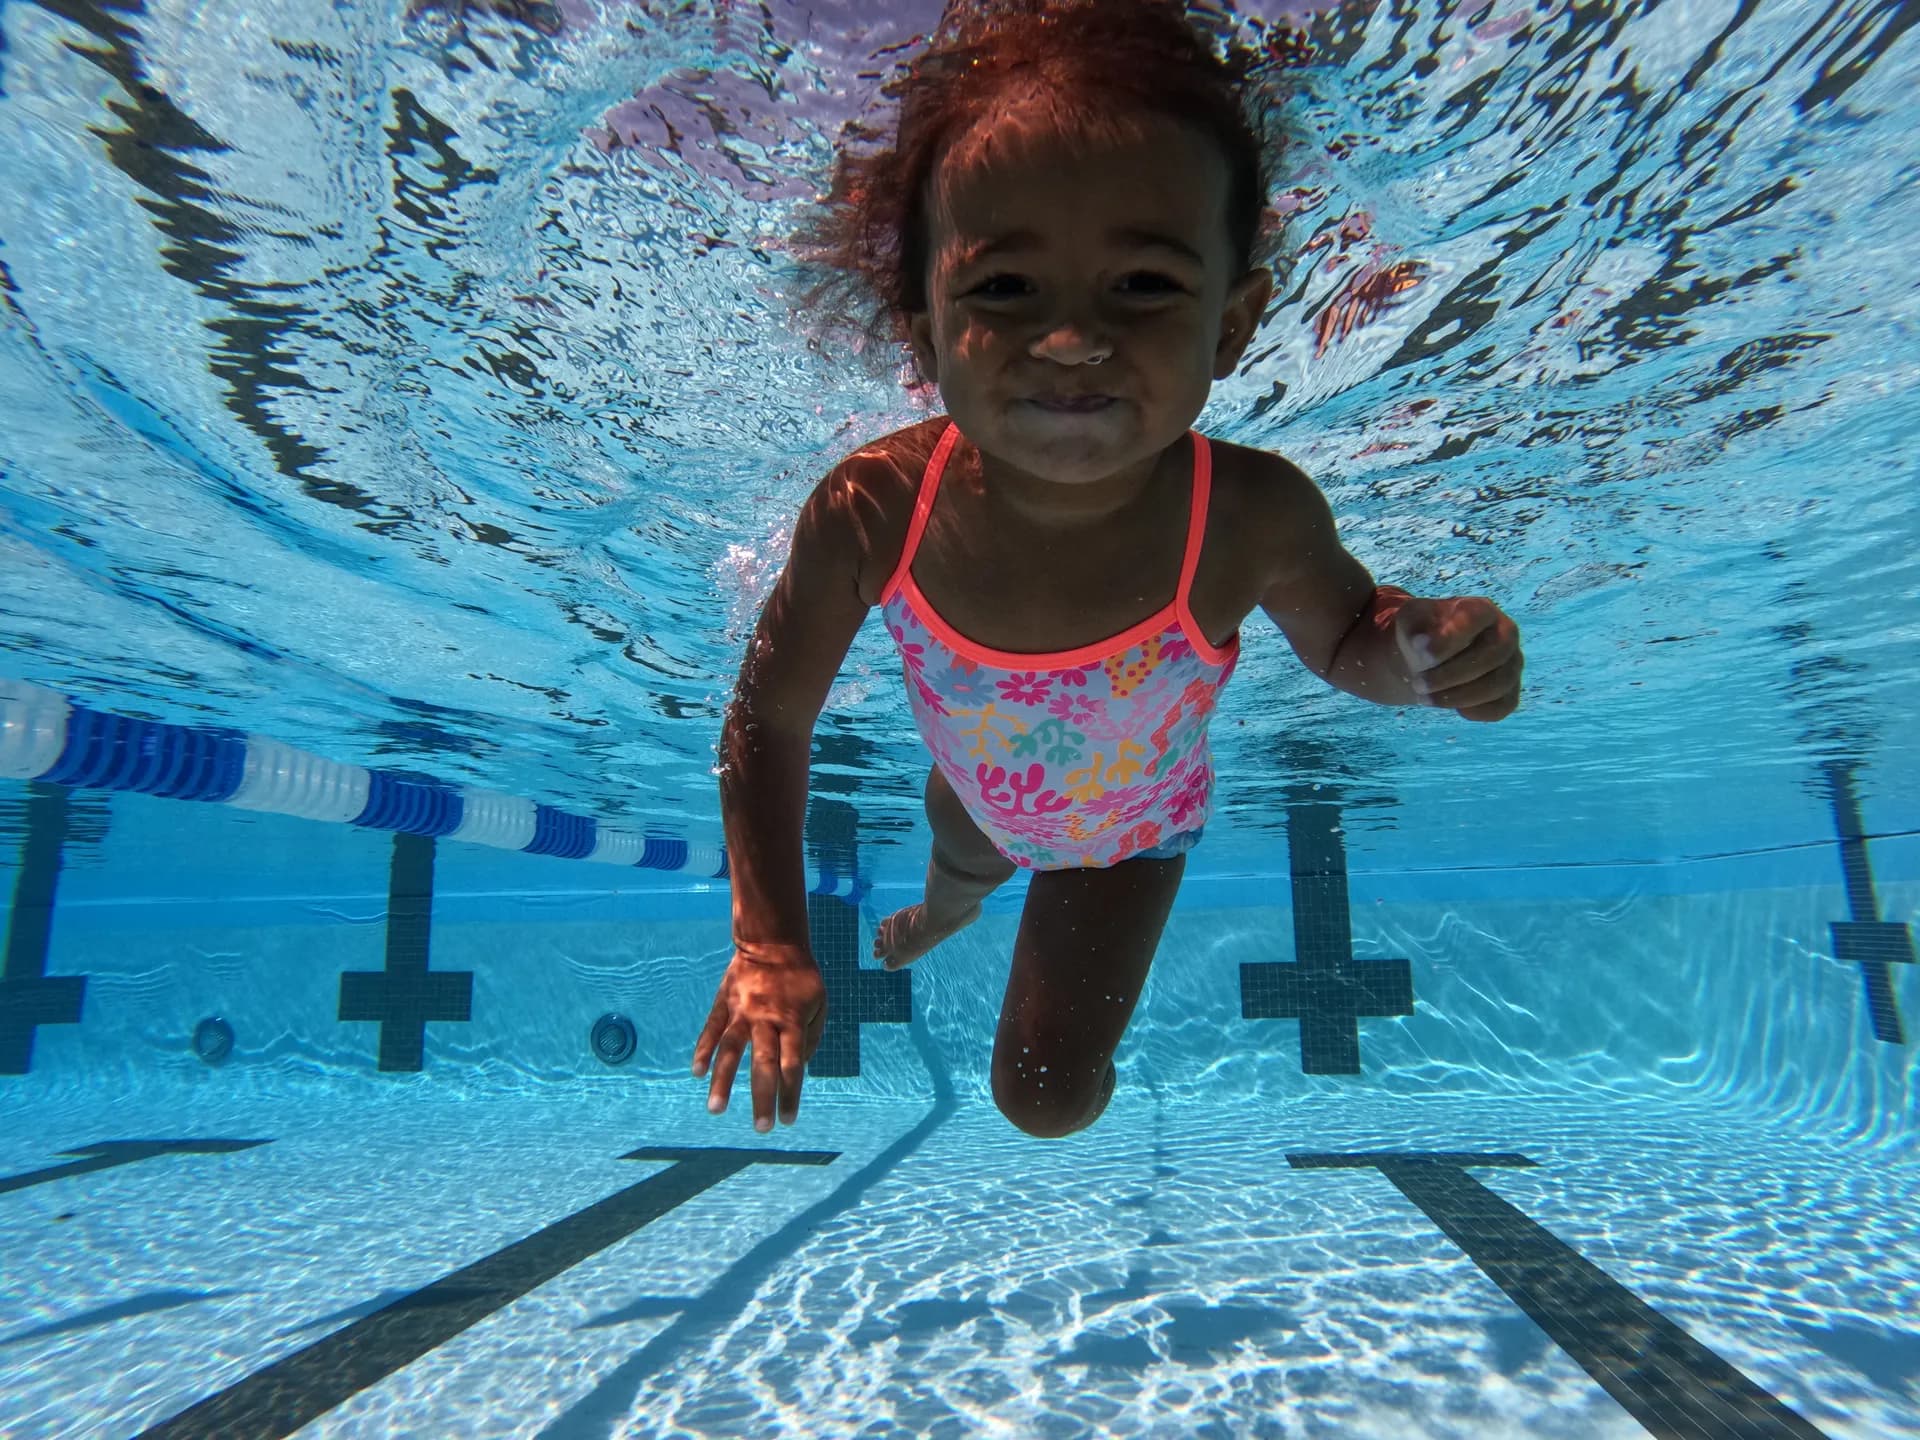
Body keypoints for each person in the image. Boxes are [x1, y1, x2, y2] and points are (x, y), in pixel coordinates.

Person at [692, 0, 1523, 1139]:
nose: (1074, 338)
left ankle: (972, 922)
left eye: (1140, 286)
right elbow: (767, 721)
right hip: (976, 806)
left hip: (1131, 838)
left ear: (1232, 325)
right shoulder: (874, 512)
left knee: (1042, 1101)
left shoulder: (1247, 514)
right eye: (1004, 288)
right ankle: (948, 910)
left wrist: (1423, 659)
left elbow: (1344, 640)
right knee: (962, 860)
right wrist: (769, 937)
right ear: (923, 331)